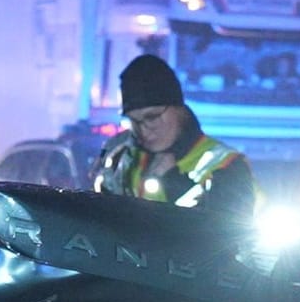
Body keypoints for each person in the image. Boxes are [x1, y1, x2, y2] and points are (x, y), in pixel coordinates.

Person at [94, 54, 260, 218]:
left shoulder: (227, 165)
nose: (143, 130)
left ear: (178, 108)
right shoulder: (121, 158)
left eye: (152, 117)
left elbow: (227, 233)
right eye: (134, 121)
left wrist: (174, 182)